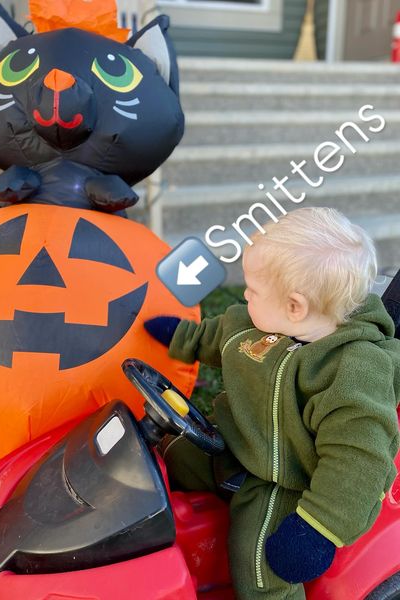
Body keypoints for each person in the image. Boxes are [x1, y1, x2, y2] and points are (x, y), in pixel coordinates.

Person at [144, 207, 400, 600]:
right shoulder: (260, 323)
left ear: (295, 306)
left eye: (252, 289)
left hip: (284, 479)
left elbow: (358, 460)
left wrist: (318, 528)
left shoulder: (353, 370)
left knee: (260, 565)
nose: (244, 296)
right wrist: (183, 336)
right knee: (161, 458)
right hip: (232, 443)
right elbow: (221, 337)